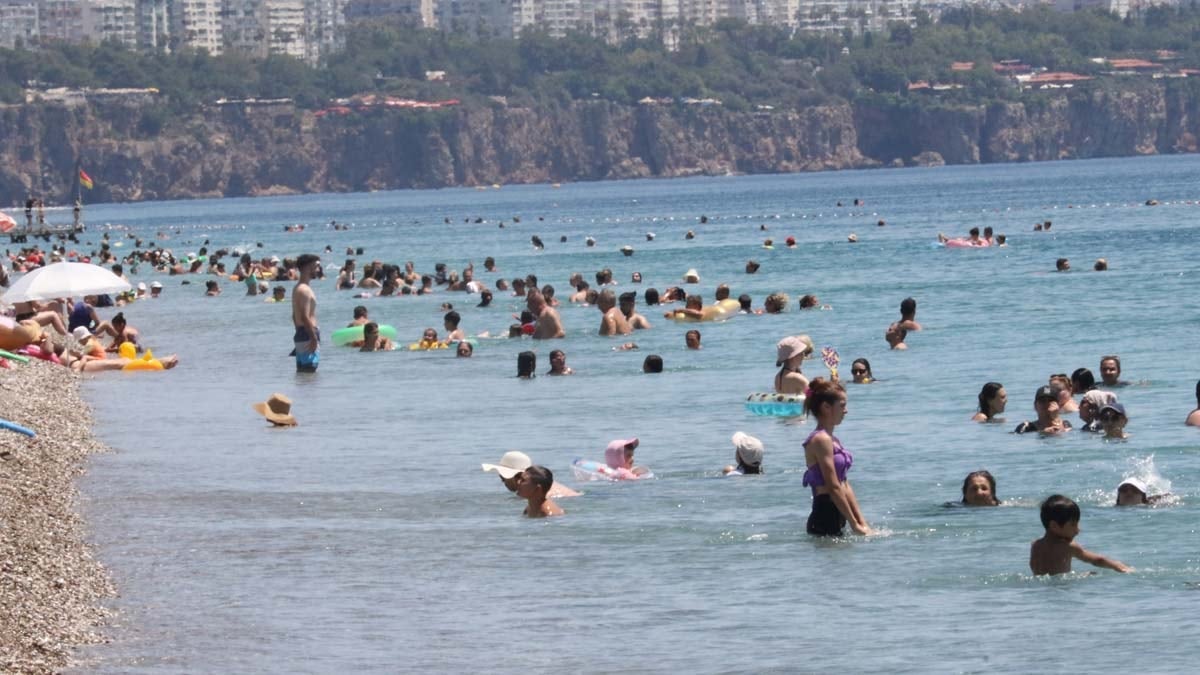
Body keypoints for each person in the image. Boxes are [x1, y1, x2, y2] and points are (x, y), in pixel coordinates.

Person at [802, 379, 871, 536]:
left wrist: (862, 523)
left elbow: (844, 484)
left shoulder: (833, 440)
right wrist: (854, 525)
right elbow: (833, 486)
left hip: (838, 513)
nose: (846, 410)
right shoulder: (820, 439)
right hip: (824, 515)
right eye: (842, 405)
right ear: (826, 407)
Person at [1030, 495, 1131, 575]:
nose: (1077, 530)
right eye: (1073, 525)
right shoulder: (1068, 546)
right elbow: (1097, 560)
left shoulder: (1035, 545)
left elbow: (1049, 572)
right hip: (1061, 589)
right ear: (1054, 526)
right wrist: (1117, 566)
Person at [481, 451, 579, 500]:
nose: (502, 481)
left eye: (503, 477)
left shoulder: (536, 492)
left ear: (516, 476)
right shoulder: (544, 484)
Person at [292, 254, 320, 373]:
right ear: (307, 267)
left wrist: (299, 332)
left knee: (303, 373)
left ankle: (303, 392)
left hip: (302, 332)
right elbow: (305, 316)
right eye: (316, 266)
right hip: (308, 334)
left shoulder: (298, 287)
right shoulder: (304, 290)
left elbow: (294, 316)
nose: (318, 269)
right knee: (309, 370)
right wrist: (313, 338)